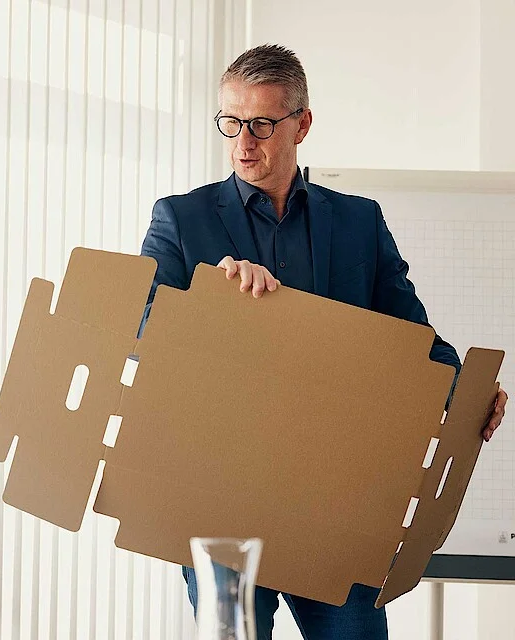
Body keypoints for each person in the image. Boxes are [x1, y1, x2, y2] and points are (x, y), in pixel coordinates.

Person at [140, 44, 508, 640]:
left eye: (260, 124)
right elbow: (141, 326)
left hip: (337, 505)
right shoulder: (182, 220)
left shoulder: (360, 222)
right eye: (230, 123)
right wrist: (216, 299)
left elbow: (411, 337)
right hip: (224, 496)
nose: (243, 143)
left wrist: (466, 393)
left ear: (302, 124)